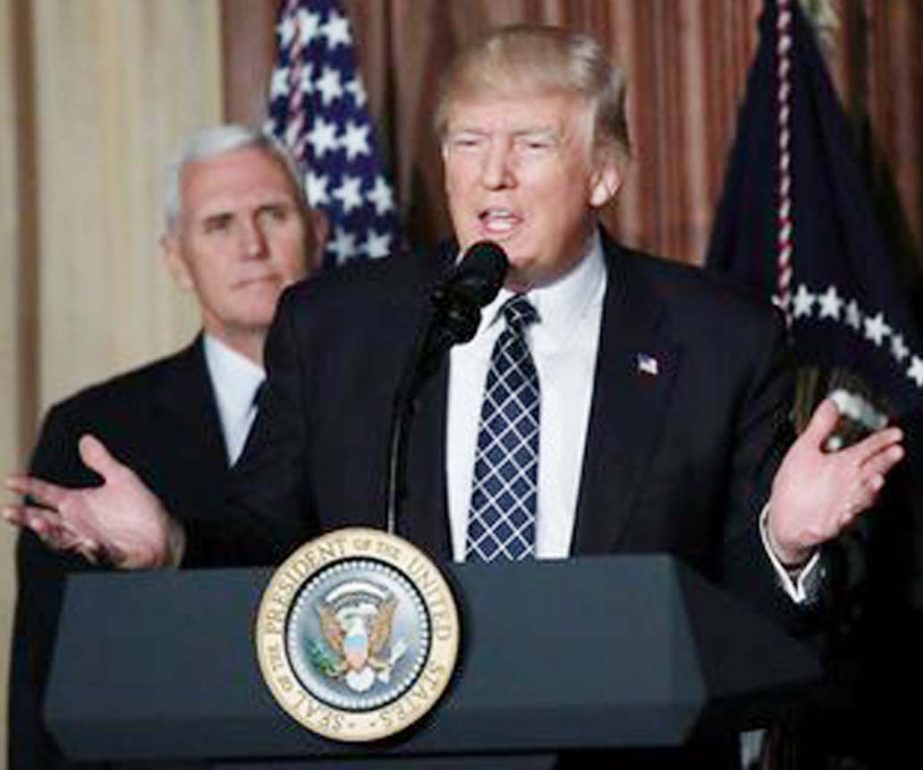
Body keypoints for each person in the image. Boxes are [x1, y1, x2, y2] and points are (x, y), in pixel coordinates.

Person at [4, 25, 904, 758]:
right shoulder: (339, 326)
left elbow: (741, 624)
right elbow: (273, 546)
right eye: (467, 143)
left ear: (602, 174)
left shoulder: (718, 337)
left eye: (531, 144)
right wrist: (171, 547)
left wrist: (783, 541)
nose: (492, 173)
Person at [6, 124, 327, 769]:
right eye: (218, 225)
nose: (252, 246)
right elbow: (46, 679)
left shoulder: (395, 404)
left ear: (318, 234)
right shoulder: (95, 432)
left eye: (273, 214)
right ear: (175, 259)